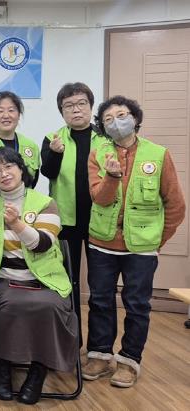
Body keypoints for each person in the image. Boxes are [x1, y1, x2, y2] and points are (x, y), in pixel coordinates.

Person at [83, 96, 185, 388]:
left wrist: (155, 241)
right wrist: (112, 176)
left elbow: (176, 205)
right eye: (108, 119)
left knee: (137, 305)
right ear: (103, 127)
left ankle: (129, 360)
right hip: (102, 243)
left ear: (135, 118)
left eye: (122, 115)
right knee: (100, 301)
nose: (116, 122)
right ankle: (100, 355)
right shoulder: (98, 154)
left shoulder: (158, 154)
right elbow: (100, 198)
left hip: (142, 249)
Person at [0, 147, 78, 404]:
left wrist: (17, 224)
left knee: (50, 306)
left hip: (44, 279)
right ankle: (1, 369)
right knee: (10, 306)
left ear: (21, 169)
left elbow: (43, 244)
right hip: (4, 279)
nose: (4, 174)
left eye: (8, 166)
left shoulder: (45, 202)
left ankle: (38, 372)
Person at [41, 82, 107, 340]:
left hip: (100, 221)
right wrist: (55, 153)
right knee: (68, 282)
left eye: (81, 104)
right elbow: (48, 173)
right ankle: (71, 340)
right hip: (66, 222)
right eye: (68, 106)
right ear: (62, 111)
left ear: (91, 107)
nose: (76, 110)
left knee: (100, 284)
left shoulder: (106, 138)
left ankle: (98, 345)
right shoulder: (53, 139)